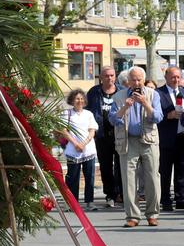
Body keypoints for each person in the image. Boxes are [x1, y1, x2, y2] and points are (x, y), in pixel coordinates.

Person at [110, 66, 163, 228]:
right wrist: (125, 107)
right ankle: (132, 216)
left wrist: (145, 103)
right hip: (128, 141)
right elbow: (113, 119)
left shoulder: (153, 94)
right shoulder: (119, 96)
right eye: (133, 80)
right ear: (128, 81)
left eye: (139, 79)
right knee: (128, 180)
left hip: (148, 140)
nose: (137, 83)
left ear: (144, 80)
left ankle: (152, 214)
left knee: (152, 178)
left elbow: (158, 117)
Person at [156, 66, 184, 211]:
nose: (176, 80)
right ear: (166, 77)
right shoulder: (158, 93)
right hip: (167, 138)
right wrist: (168, 116)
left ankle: (181, 199)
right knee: (165, 171)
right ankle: (165, 199)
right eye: (173, 77)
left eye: (178, 77)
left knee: (182, 170)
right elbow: (153, 116)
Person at [85, 67, 121, 207]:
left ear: (115, 76)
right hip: (101, 135)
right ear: (100, 77)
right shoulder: (94, 92)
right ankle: (110, 195)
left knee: (121, 165)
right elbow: (88, 112)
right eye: (106, 75)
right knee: (105, 166)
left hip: (119, 134)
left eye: (112, 75)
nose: (109, 78)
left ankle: (120, 193)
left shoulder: (122, 91)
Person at [61, 89, 98, 208]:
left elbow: (92, 131)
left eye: (82, 98)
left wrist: (83, 144)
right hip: (73, 150)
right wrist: (76, 144)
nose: (80, 101)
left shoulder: (89, 114)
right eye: (77, 98)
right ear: (72, 100)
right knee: (72, 177)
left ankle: (89, 201)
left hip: (88, 150)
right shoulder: (66, 113)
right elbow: (64, 131)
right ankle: (72, 203)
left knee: (90, 176)